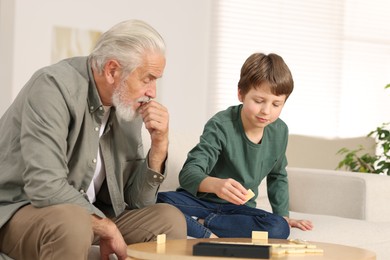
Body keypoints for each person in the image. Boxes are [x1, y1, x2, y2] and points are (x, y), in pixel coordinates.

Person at [0, 19, 187, 260]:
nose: (152, 92)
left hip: (90, 213)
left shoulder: (126, 106)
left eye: (155, 81)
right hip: (19, 210)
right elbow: (44, 185)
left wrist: (159, 145)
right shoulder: (52, 88)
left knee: (169, 220)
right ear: (112, 71)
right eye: (147, 79)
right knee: (73, 222)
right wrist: (104, 225)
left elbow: (136, 202)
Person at [157, 52, 313, 239]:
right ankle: (205, 224)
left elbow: (277, 176)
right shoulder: (221, 124)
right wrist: (215, 185)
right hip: (201, 202)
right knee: (154, 201)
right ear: (241, 94)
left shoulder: (280, 131)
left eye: (276, 104)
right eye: (258, 101)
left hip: (239, 210)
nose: (266, 111)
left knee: (278, 228)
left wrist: (283, 216)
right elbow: (188, 174)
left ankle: (202, 225)